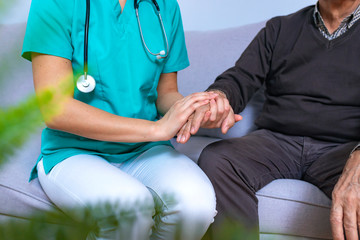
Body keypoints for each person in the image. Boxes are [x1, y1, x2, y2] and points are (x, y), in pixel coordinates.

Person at [21, 0, 217, 239]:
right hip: (73, 150)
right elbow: (55, 109)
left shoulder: (164, 6)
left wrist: (194, 110)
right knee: (129, 210)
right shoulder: (54, 3)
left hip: (143, 150)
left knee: (195, 206)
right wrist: (157, 129)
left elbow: (165, 94)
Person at [178, 0, 360, 239]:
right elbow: (239, 78)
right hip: (278, 141)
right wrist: (219, 97)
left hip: (344, 148)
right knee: (218, 159)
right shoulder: (280, 29)